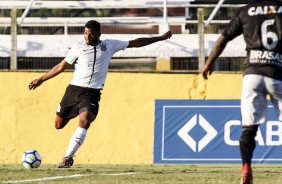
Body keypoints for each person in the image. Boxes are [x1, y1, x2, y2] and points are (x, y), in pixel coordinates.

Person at [28, 20, 172, 168]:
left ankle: (67, 157)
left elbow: (136, 42)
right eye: (85, 33)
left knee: (84, 121)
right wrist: (41, 79)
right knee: (58, 125)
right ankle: (73, 116)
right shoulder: (78, 47)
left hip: (92, 94)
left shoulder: (109, 45)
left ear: (99, 34)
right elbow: (61, 66)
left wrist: (160, 38)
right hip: (73, 91)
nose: (87, 37)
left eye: (91, 34)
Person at [201, 1, 282, 184]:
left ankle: (246, 167)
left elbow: (224, 38)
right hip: (277, 73)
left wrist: (209, 62)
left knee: (249, 128)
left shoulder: (246, 11)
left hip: (252, 74)